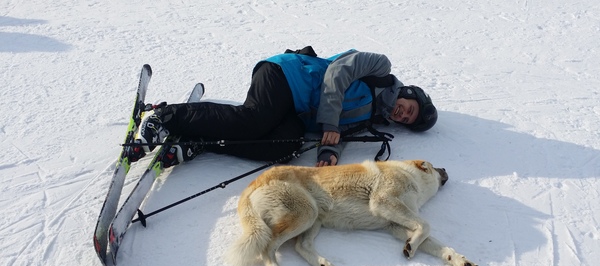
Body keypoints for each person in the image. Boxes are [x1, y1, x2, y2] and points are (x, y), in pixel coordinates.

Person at [128, 46, 438, 167]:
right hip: (287, 75)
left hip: (297, 112)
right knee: (254, 121)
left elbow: (338, 133)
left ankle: (200, 141)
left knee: (284, 149)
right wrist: (330, 124)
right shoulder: (380, 69)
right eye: (408, 109)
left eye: (406, 120)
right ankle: (165, 117)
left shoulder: (372, 118)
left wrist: (329, 153)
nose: (402, 115)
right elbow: (337, 73)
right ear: (409, 93)